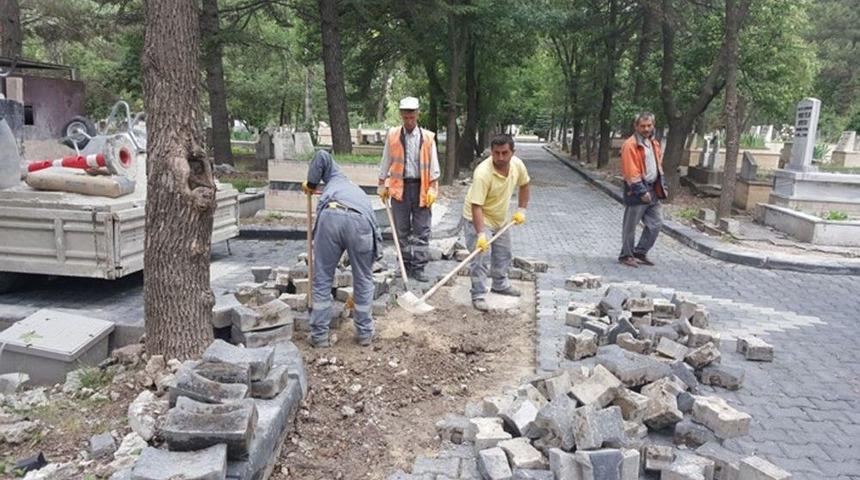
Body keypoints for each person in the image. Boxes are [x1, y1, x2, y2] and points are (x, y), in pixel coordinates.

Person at [302, 150, 382, 347]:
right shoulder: (355, 191)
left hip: (330, 216)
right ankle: (364, 334)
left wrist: (311, 184)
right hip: (360, 221)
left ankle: (319, 336)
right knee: (363, 278)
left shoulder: (332, 177)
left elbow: (320, 155)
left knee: (322, 278)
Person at [462, 134, 530, 312]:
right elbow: (476, 206)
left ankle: (500, 284)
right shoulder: (483, 173)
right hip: (476, 218)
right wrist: (481, 235)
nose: (500, 157)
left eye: (504, 153)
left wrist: (522, 209)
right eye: (496, 153)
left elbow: (525, 184)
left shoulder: (517, 165)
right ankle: (478, 294)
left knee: (504, 253)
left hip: (499, 218)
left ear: (512, 152)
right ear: (491, 152)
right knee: (480, 258)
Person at [377, 96, 441, 283]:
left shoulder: (428, 138)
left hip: (421, 188)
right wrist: (382, 184)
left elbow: (434, 166)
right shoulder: (393, 135)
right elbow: (386, 161)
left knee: (422, 230)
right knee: (401, 230)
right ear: (401, 115)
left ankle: (419, 267)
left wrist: (433, 189)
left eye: (412, 116)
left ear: (417, 114)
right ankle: (404, 265)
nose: (409, 119)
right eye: (405, 116)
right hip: (400, 189)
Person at [619, 112, 668, 268]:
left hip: (653, 189)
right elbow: (630, 171)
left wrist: (662, 185)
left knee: (656, 223)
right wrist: (641, 191)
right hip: (637, 189)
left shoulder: (654, 143)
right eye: (643, 126)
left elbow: (658, 166)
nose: (646, 129)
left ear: (653, 125)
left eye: (649, 125)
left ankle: (640, 251)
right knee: (630, 225)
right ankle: (626, 255)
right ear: (636, 126)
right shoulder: (630, 145)